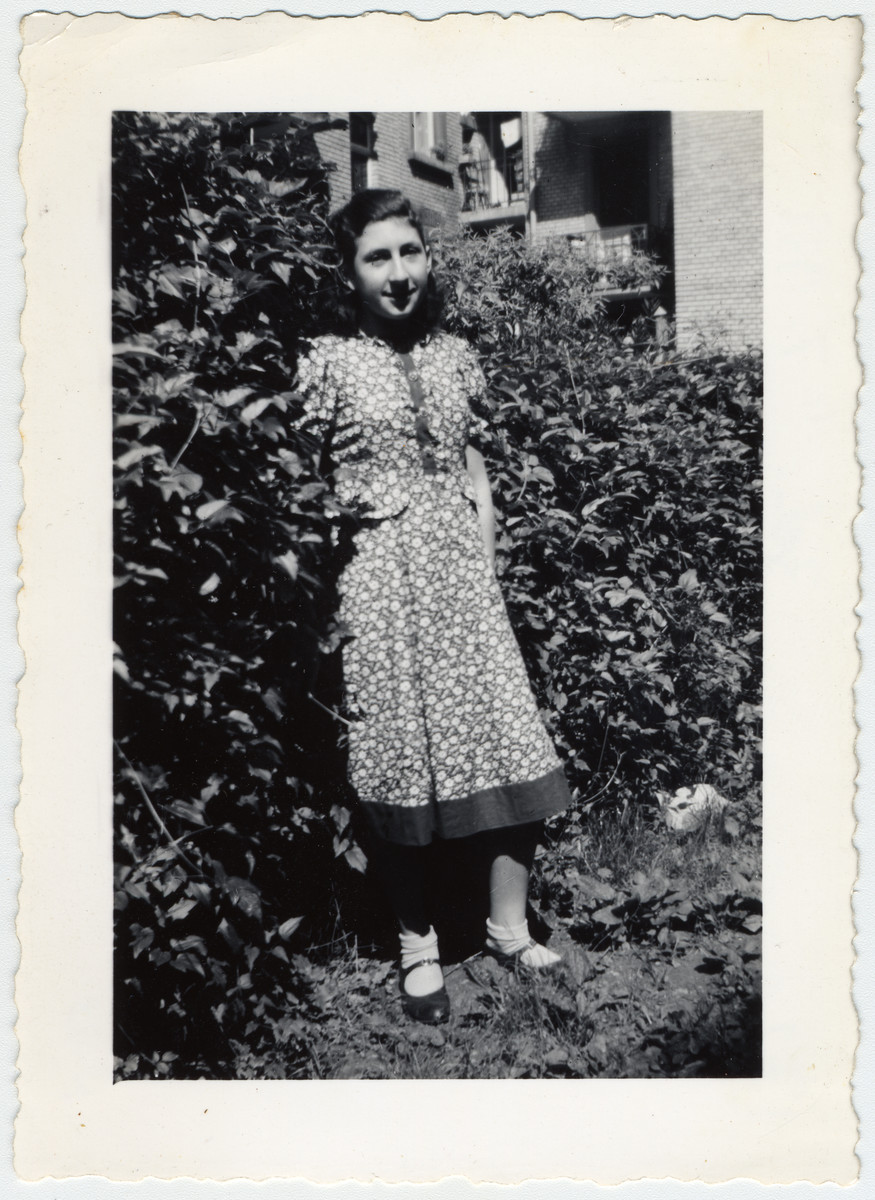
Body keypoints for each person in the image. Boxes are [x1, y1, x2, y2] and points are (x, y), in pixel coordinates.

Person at [294, 189, 571, 1024]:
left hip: (461, 581)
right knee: (399, 756)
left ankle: (507, 929)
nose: (399, 273)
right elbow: (301, 485)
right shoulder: (325, 360)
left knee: (507, 736)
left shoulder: (454, 355)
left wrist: (483, 546)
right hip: (377, 585)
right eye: (378, 257)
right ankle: (417, 948)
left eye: (409, 252)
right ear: (349, 272)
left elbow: (473, 462)